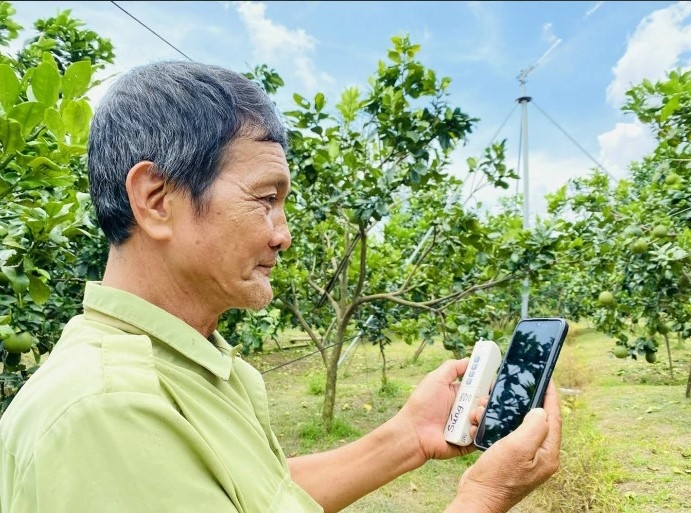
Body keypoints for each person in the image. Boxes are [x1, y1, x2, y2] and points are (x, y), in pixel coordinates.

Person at [0, 61, 561, 513]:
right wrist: (482, 498)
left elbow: (262, 496)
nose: (283, 236)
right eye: (265, 199)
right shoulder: (111, 411)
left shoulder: (182, 366)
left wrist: (409, 436)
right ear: (156, 200)